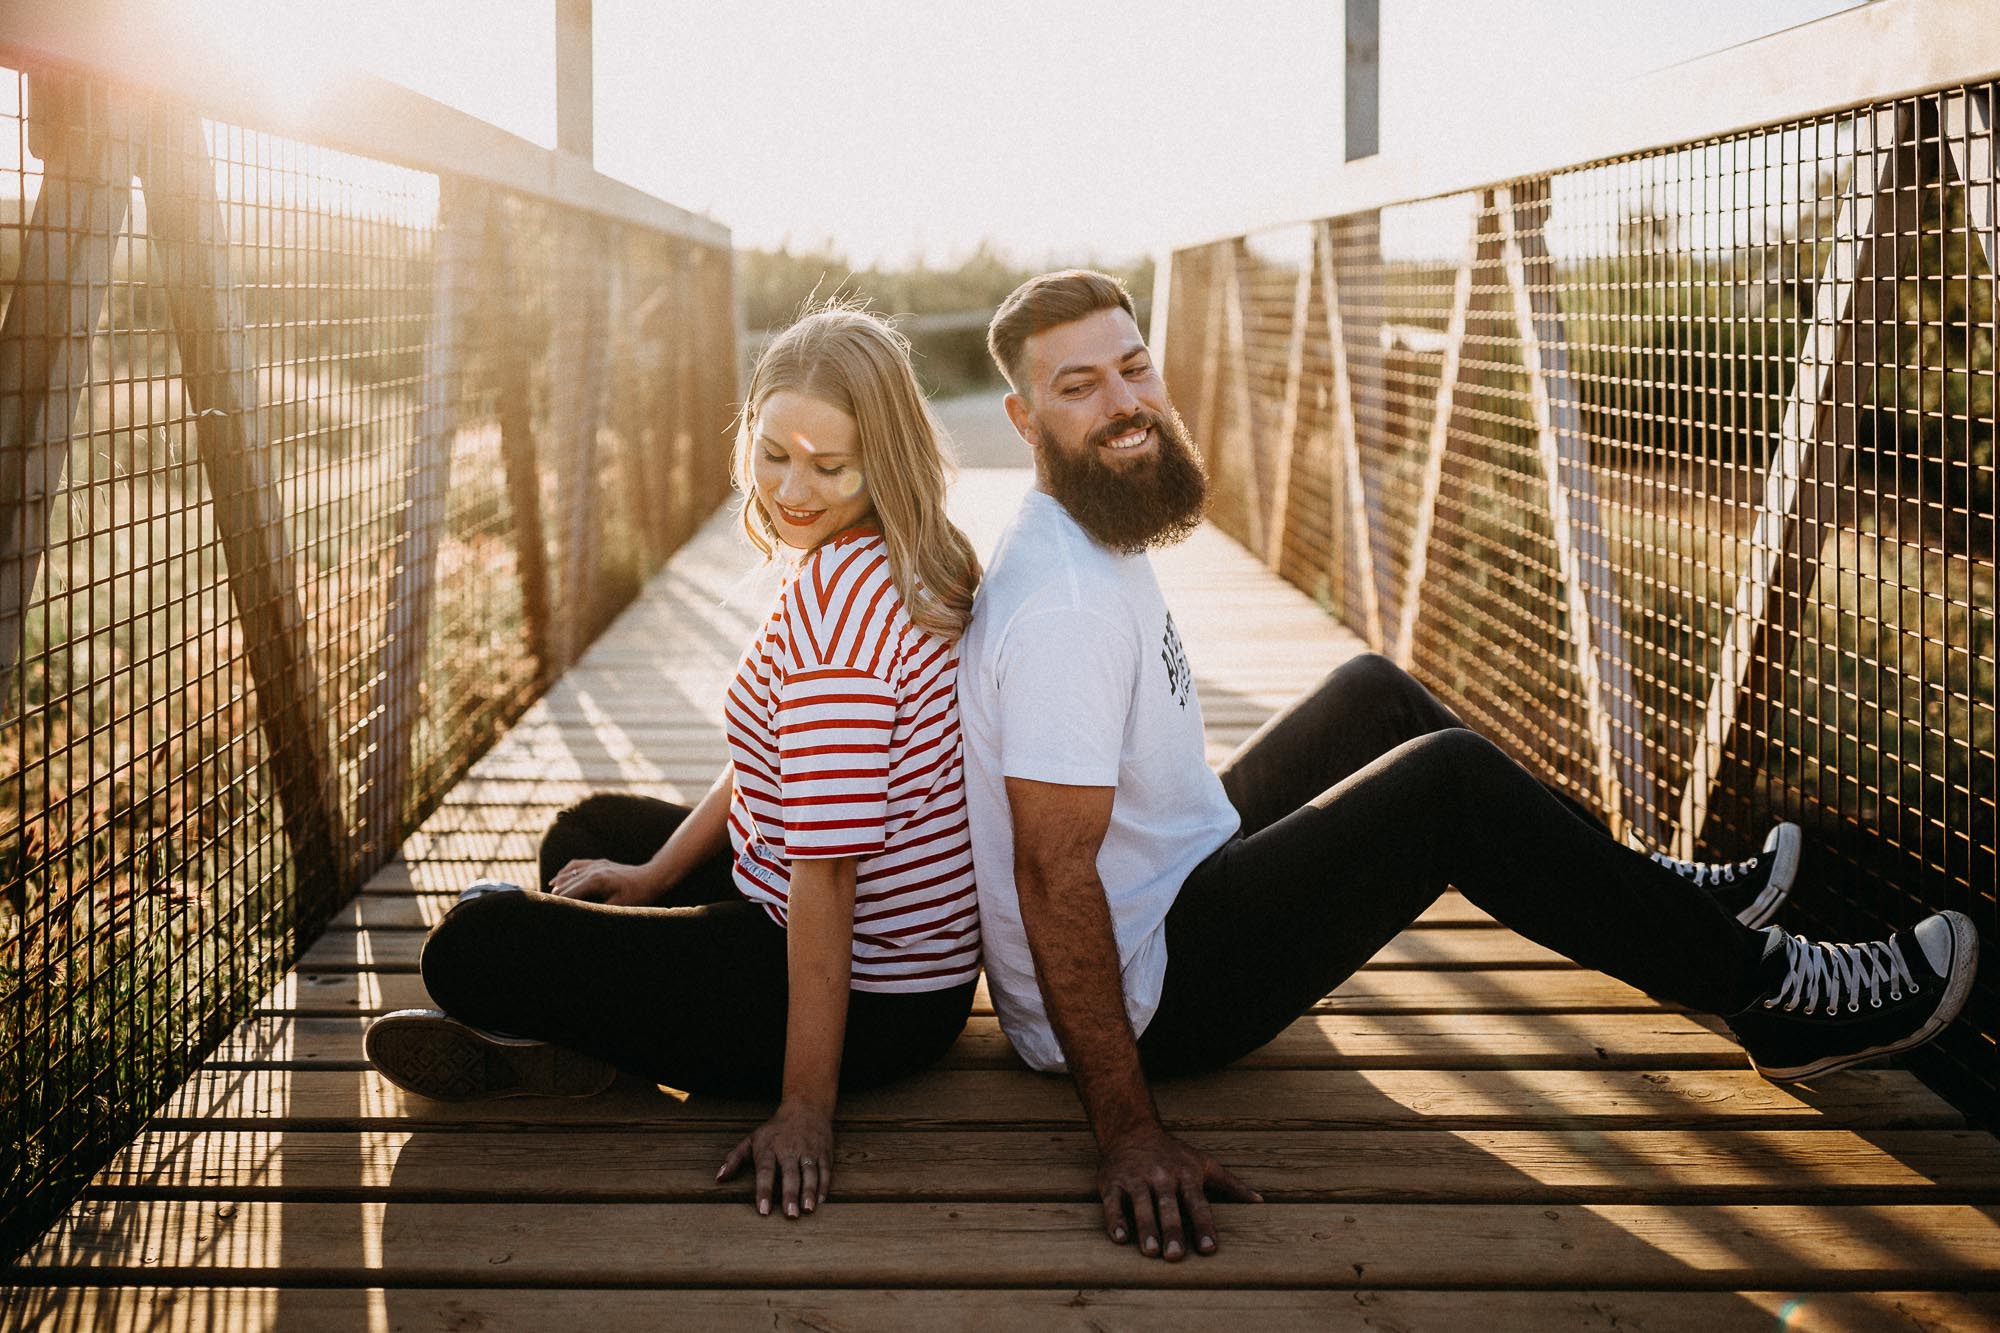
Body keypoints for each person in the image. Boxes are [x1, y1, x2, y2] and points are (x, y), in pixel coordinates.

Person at [957, 269, 1980, 1264]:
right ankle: (1774, 997)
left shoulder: (1088, 525)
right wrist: (1128, 1128)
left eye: (1132, 367)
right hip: (1157, 995)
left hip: (1172, 884)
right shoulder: (1066, 606)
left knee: (1371, 692)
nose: (1124, 403)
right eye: (1077, 386)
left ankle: (1651, 891)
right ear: (1021, 418)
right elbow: (1052, 876)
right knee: (1445, 784)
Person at [365, 305, 984, 1223]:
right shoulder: (880, 550)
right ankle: (596, 1044)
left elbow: (831, 869)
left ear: (883, 456)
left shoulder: (842, 624)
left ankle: (589, 1043)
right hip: (867, 939)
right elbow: (783, 765)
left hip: (865, 987)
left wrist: (806, 1110)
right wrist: (657, 874)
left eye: (829, 465)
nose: (794, 489)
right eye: (775, 453)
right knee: (592, 838)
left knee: (475, 939)